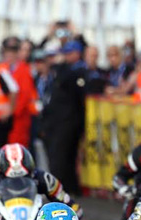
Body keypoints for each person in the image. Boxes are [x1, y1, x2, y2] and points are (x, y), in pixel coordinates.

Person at [43, 41, 87, 200]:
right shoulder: (60, 72)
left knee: (62, 156)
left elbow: (77, 99)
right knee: (62, 156)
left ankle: (62, 189)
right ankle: (67, 187)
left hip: (68, 121)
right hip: (57, 121)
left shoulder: (76, 71)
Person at [2, 37, 37, 148]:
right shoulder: (6, 68)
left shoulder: (24, 70)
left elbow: (25, 96)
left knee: (17, 148)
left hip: (19, 120)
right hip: (9, 119)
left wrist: (11, 112)